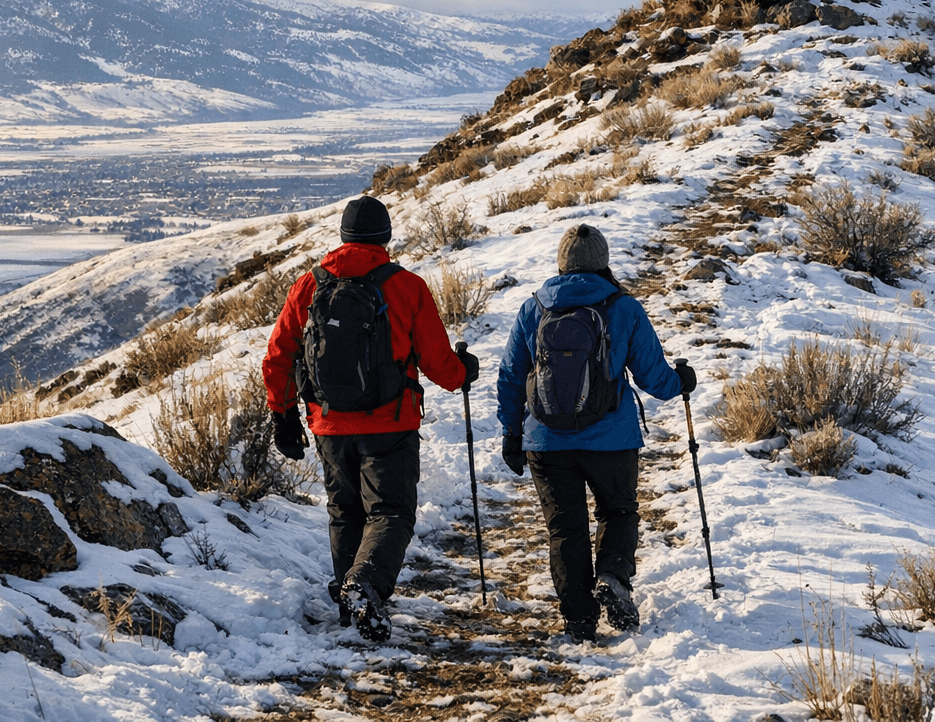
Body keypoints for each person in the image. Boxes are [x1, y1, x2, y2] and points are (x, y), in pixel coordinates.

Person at [263, 195, 479, 642]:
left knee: (345, 510)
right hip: (390, 423)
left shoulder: (309, 285)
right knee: (391, 512)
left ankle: (350, 604)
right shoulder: (405, 286)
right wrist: (464, 373)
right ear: (385, 237)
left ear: (343, 236)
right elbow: (439, 363)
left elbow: (279, 356)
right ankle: (366, 587)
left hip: (328, 423)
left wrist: (282, 416)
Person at [495, 224, 696, 642]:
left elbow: (512, 377)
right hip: (612, 437)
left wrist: (512, 434)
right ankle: (612, 576)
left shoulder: (534, 308)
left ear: (561, 262)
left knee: (566, 529)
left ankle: (579, 620)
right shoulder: (622, 307)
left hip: (546, 440)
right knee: (618, 511)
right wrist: (681, 381)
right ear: (603, 261)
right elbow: (653, 378)